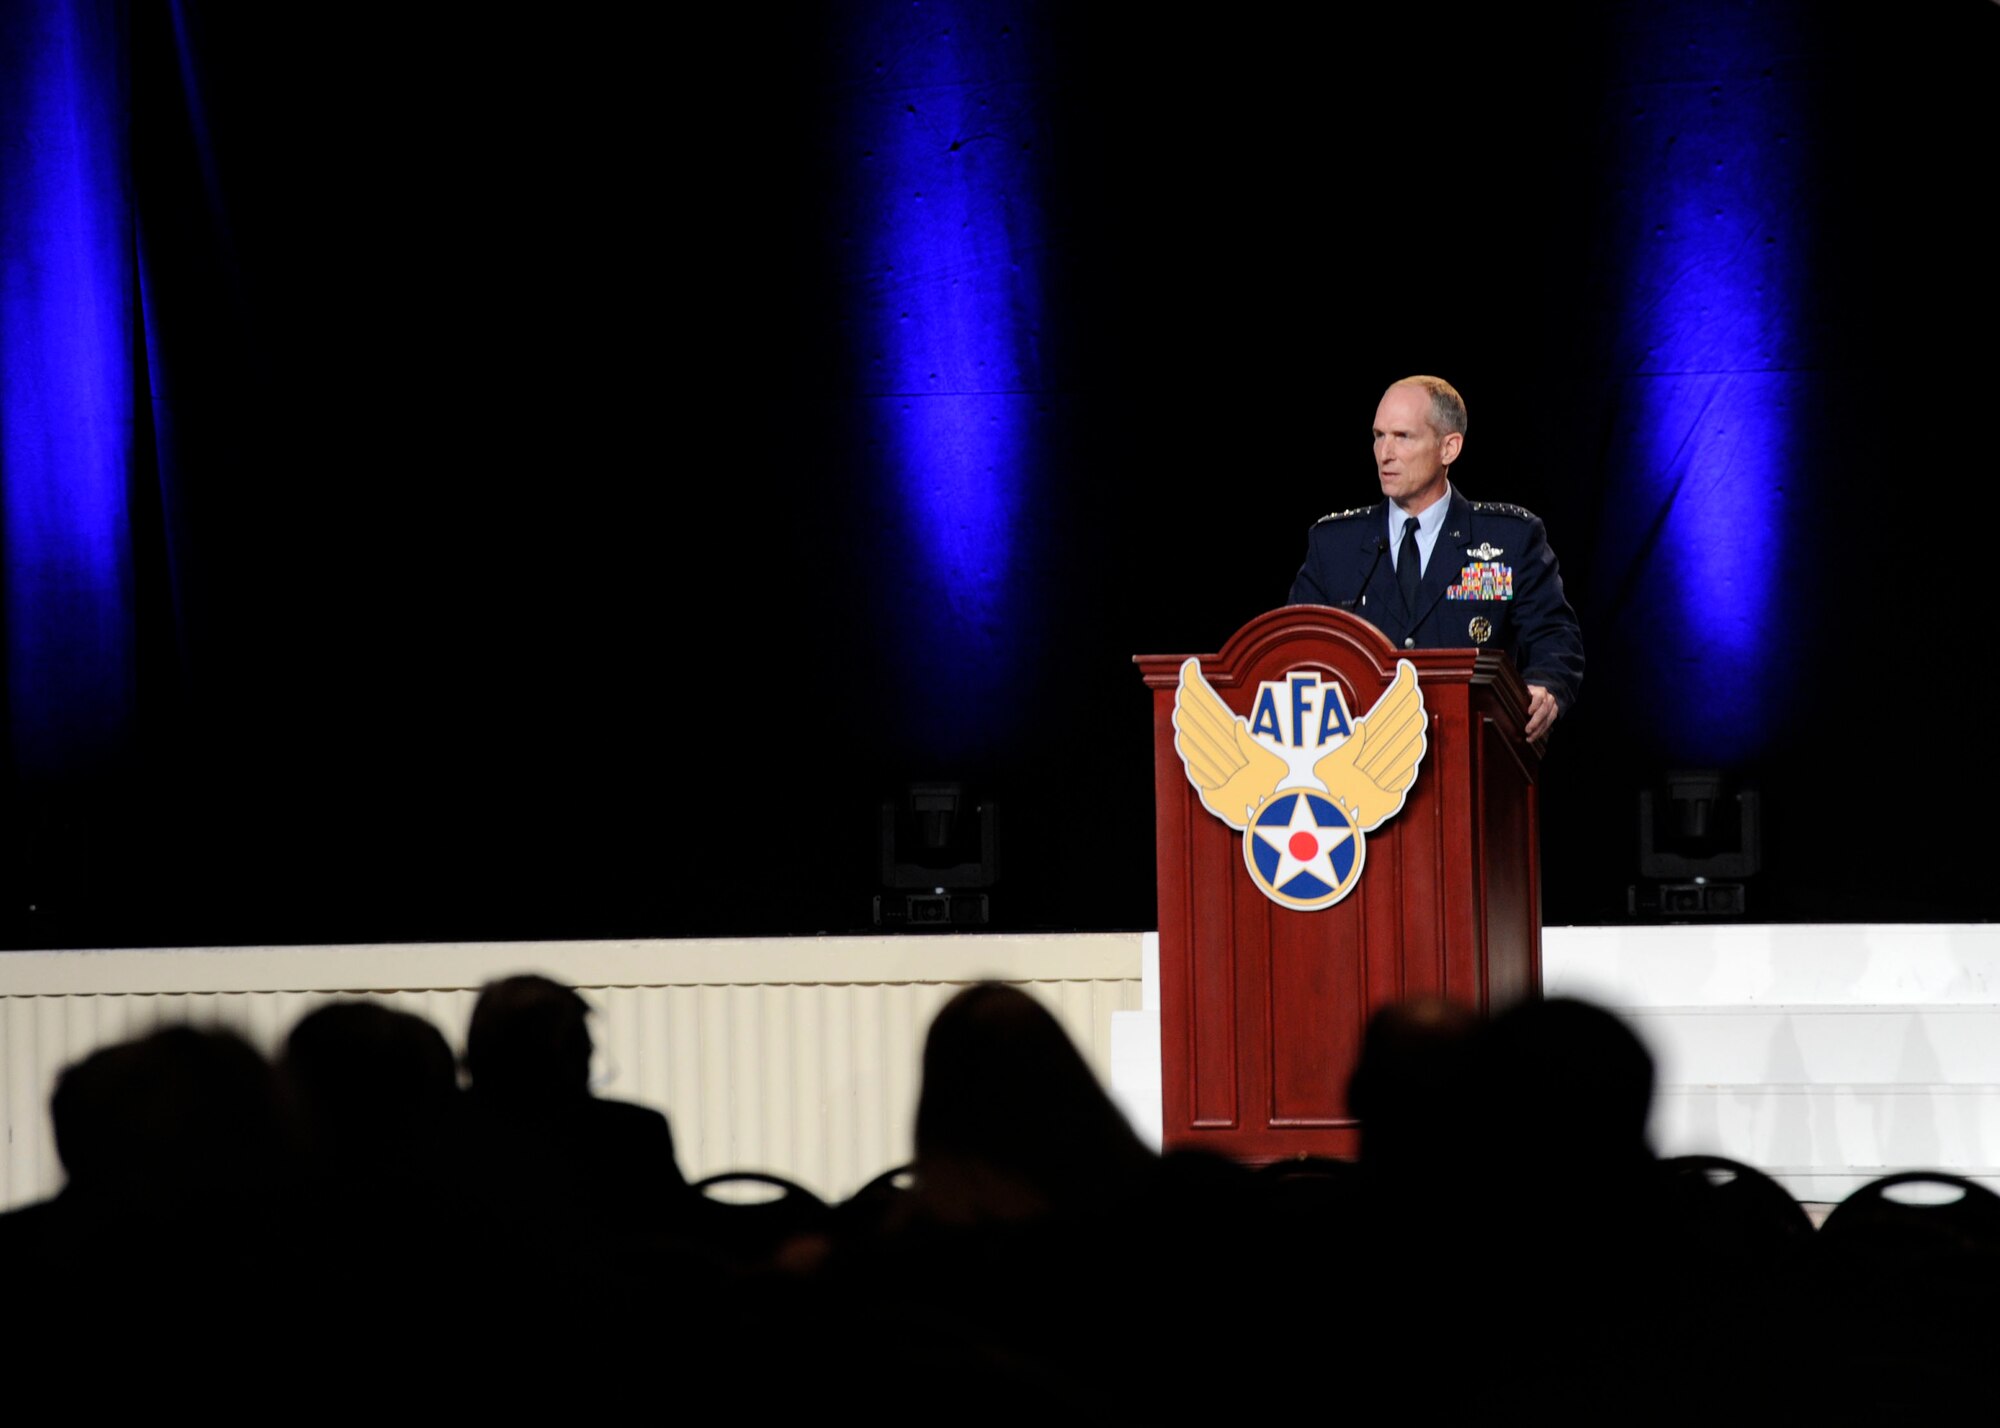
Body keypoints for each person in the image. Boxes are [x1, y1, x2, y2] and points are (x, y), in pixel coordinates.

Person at [1289, 375, 1583, 741]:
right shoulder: (1335, 545)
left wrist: (1545, 686)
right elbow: (1296, 654)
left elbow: (1555, 637)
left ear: (1449, 448)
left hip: (1469, 748)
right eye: (1379, 436)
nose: (1385, 453)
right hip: (1356, 759)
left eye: (1403, 437)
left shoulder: (1510, 538)